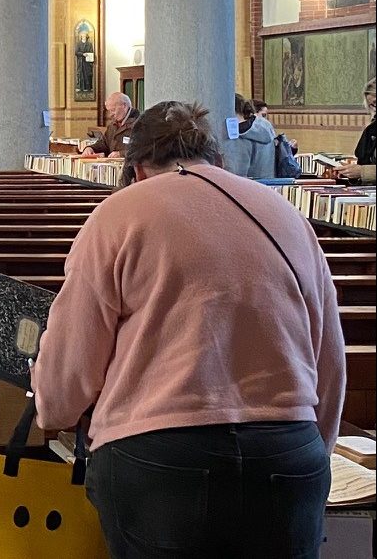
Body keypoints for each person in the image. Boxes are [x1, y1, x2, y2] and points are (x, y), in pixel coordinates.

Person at [33, 102, 345, 559]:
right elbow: (329, 358)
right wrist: (314, 446)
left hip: (162, 462)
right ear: (216, 160)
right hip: (285, 454)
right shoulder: (285, 216)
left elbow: (72, 365)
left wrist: (51, 409)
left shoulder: (118, 217)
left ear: (136, 169)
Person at [221, 93, 276, 180]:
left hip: (247, 188)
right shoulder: (266, 125)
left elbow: (236, 173)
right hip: (270, 185)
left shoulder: (238, 136)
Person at [334, 78, 376, 183]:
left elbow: (363, 169)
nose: (375, 109)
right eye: (372, 105)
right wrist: (350, 171)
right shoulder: (371, 130)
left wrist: (363, 172)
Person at [80, 91, 138, 157]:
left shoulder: (140, 124)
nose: (110, 115)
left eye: (113, 110)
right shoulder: (112, 125)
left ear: (124, 106)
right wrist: (90, 148)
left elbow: (144, 151)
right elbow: (104, 144)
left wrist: (121, 154)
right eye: (109, 111)